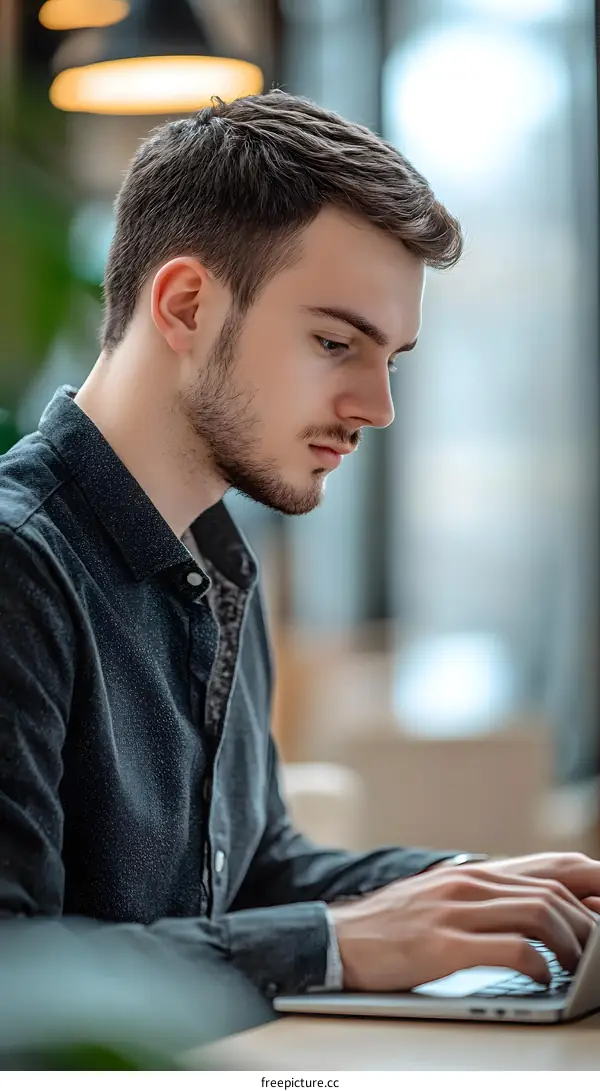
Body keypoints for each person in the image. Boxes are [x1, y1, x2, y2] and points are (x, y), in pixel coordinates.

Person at [1, 90, 598, 1001]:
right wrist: (338, 942)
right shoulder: (19, 569)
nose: (378, 407)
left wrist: (478, 891)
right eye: (334, 342)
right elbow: (18, 975)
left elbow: (250, 870)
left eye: (389, 358)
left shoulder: (218, 564)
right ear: (188, 303)